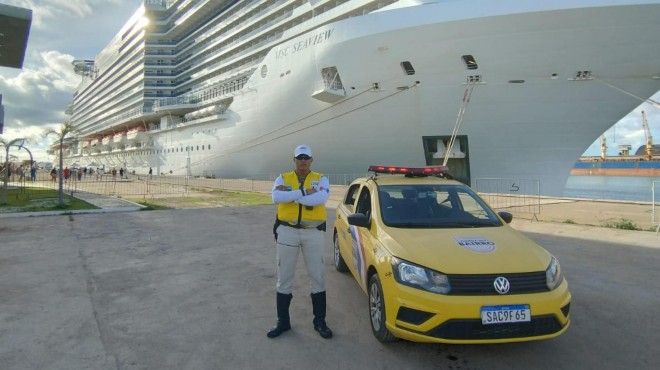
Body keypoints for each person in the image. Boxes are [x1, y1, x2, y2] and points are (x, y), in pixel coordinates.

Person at [267, 144, 333, 339]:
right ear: (294, 160)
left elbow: (320, 199)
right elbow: (276, 197)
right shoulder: (283, 177)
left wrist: (291, 197)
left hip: (313, 233)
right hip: (287, 232)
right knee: (284, 277)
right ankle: (283, 322)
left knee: (317, 277)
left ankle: (319, 321)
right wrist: (303, 194)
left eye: (306, 158)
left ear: (312, 160)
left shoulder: (321, 178)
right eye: (299, 157)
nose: (303, 161)